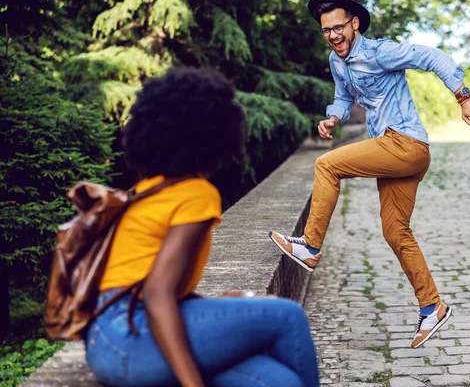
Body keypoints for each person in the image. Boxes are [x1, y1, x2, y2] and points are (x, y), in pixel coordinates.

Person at [269, 0, 470, 349]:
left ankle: (309, 245)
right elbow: (343, 95)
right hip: (394, 154)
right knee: (395, 231)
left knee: (327, 165)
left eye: (339, 27)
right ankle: (432, 305)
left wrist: (464, 97)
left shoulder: (380, 51)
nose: (333, 35)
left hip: (405, 143)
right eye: (326, 30)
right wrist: (332, 118)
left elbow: (431, 56)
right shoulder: (337, 61)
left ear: (354, 23)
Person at [85, 67, 320, 387]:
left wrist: (208, 304)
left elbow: (146, 277)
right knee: (288, 316)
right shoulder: (196, 193)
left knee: (278, 381)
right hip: (130, 335)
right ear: (214, 134)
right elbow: (156, 293)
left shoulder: (150, 189)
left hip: (105, 341)